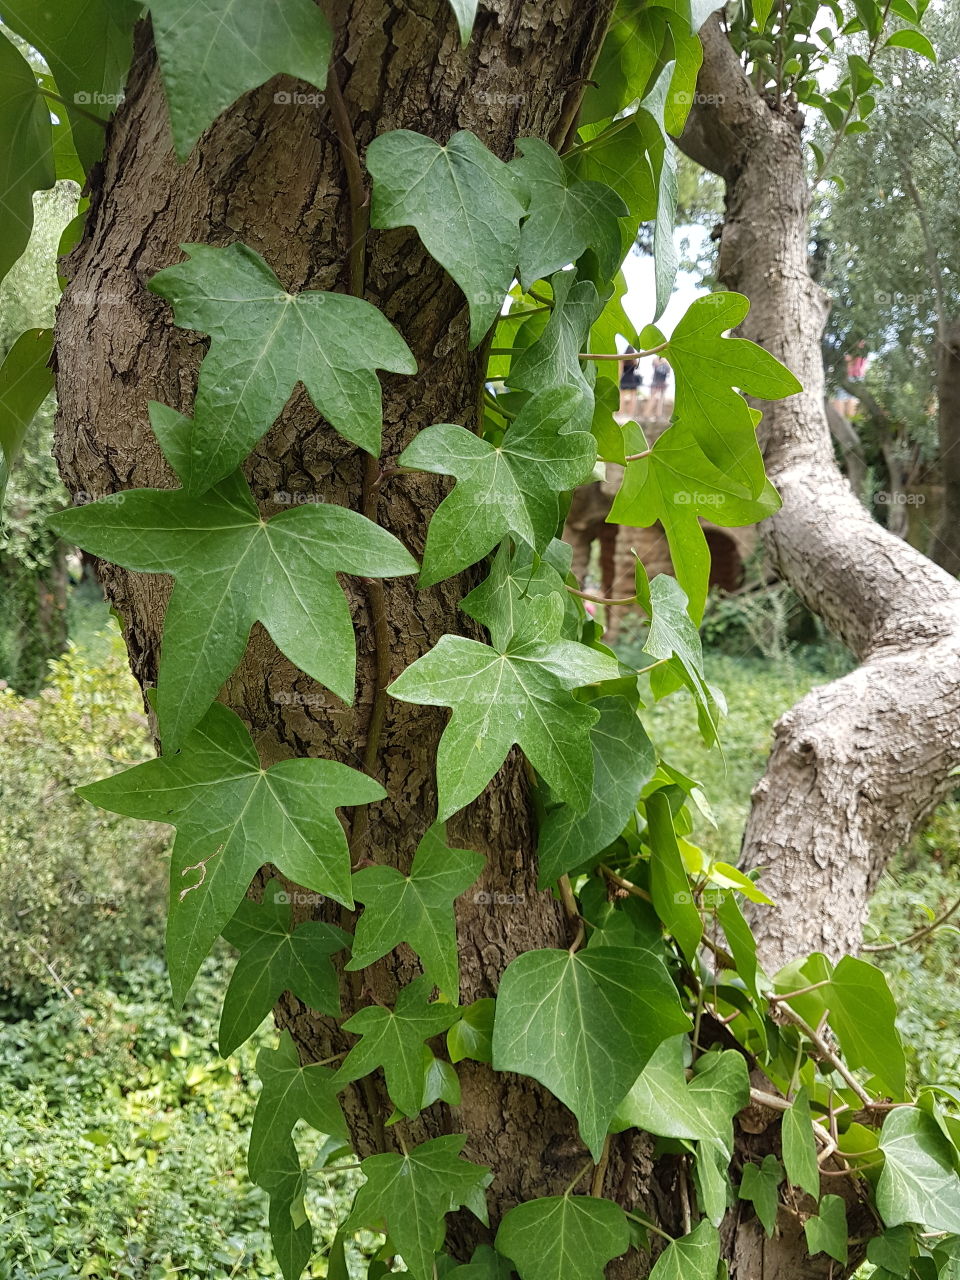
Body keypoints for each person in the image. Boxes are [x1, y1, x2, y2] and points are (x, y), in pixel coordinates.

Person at [619, 346, 642, 417]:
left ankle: (621, 413)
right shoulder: (634, 359)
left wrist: (619, 380)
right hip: (632, 379)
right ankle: (630, 414)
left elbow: (620, 371)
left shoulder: (623, 359)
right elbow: (637, 368)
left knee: (622, 397)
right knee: (633, 397)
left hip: (624, 379)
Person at [650, 355, 670, 420]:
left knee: (654, 398)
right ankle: (657, 414)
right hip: (661, 382)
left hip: (656, 381)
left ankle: (651, 414)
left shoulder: (655, 360)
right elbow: (668, 372)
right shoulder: (666, 362)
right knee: (659, 400)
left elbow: (653, 365)